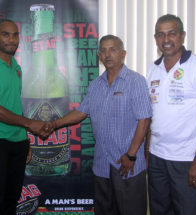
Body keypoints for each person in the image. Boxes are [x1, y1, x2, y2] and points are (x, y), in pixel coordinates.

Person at [51, 35, 152, 215]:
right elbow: (81, 112)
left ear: (123, 54)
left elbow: (144, 120)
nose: (107, 54)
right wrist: (54, 124)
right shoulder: (95, 85)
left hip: (126, 164)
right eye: (103, 50)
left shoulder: (135, 81)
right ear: (99, 55)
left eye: (113, 49)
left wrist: (132, 155)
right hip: (102, 164)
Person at [0, 19, 51, 215]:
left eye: (14, 35)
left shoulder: (16, 68)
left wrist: (25, 140)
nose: (11, 39)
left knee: (12, 199)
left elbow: (14, 106)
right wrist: (29, 124)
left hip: (18, 140)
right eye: (5, 34)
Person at [146, 14, 196, 215]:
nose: (166, 39)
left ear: (182, 36)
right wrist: (147, 153)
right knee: (159, 210)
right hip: (157, 159)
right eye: (161, 35)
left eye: (172, 33)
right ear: (156, 39)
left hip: (186, 160)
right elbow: (152, 117)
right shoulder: (153, 69)